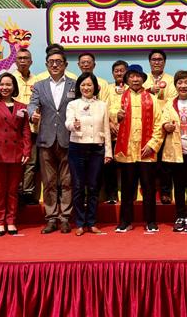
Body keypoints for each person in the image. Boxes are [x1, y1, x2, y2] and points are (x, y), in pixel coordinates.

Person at [110, 64, 164, 233]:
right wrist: (115, 116)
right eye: (132, 76)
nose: (135, 79)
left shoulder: (152, 99)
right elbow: (110, 113)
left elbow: (159, 124)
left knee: (149, 189)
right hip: (126, 151)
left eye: (138, 76)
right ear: (127, 79)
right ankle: (125, 221)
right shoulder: (119, 98)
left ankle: (151, 221)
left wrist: (152, 145)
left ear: (143, 79)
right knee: (127, 189)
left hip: (146, 151)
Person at [27, 49, 76, 234]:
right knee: (48, 182)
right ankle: (51, 218)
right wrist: (32, 113)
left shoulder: (74, 85)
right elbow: (32, 104)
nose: (55, 65)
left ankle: (65, 218)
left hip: (68, 139)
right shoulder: (39, 86)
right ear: (47, 65)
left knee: (67, 181)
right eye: (51, 62)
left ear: (65, 65)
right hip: (46, 139)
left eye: (58, 62)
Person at [0, 73, 31, 236]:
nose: (5, 88)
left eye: (8, 84)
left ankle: (11, 221)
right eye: (2, 84)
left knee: (13, 190)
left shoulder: (22, 106)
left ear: (14, 87)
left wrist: (27, 150)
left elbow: (25, 131)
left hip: (16, 152)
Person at [65, 73, 113, 236]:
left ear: (95, 87)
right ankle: (79, 223)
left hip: (96, 149)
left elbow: (106, 129)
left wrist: (108, 152)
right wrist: (74, 125)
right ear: (79, 87)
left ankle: (91, 222)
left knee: (93, 187)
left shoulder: (102, 105)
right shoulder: (73, 104)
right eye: (83, 85)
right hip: (77, 148)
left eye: (89, 85)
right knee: (78, 187)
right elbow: (68, 123)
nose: (86, 88)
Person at [157, 70, 187, 233]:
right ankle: (180, 216)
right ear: (175, 85)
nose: (183, 86)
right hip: (176, 151)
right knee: (178, 186)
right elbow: (162, 120)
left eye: (186, 82)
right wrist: (166, 126)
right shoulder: (169, 103)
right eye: (180, 82)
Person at [144, 49, 175, 205]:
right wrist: (149, 91)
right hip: (146, 127)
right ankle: (147, 192)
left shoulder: (171, 80)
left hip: (164, 126)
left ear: (164, 62)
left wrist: (163, 121)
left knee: (165, 162)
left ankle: (165, 192)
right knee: (148, 162)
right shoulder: (143, 80)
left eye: (160, 59)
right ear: (150, 62)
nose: (157, 62)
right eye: (154, 59)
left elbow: (172, 102)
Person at [13, 48, 41, 206]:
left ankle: (28, 193)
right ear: (15, 61)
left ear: (31, 61)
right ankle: (15, 192)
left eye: (26, 58)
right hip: (14, 129)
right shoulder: (9, 79)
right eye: (20, 58)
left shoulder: (38, 80)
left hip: (34, 129)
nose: (23, 61)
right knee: (16, 161)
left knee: (31, 162)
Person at [100, 60, 128, 205]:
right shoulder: (107, 88)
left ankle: (128, 196)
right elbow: (103, 107)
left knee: (126, 167)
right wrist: (110, 123)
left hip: (127, 134)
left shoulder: (132, 88)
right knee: (109, 166)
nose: (119, 73)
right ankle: (111, 195)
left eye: (122, 70)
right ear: (112, 73)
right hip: (110, 132)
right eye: (116, 71)